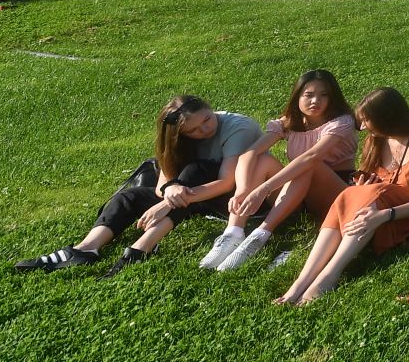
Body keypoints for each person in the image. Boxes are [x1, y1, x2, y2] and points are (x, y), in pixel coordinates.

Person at [14, 95, 262, 276]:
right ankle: (85, 250)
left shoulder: (238, 127)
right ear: (181, 134)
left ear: (211, 108)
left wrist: (166, 203)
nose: (205, 130)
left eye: (207, 120)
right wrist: (168, 191)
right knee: (130, 196)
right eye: (194, 131)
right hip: (194, 192)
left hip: (231, 197)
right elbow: (164, 180)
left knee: (196, 170)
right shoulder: (178, 138)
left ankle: (140, 248)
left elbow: (228, 181)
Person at [276, 88, 409, 306]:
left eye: (368, 120)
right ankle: (299, 284)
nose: (362, 127)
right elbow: (370, 177)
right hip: (380, 201)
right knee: (350, 193)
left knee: (371, 194)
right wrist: (363, 183)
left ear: (387, 118)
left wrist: (384, 216)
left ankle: (328, 276)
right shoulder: (376, 140)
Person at [199, 70, 358, 273]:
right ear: (297, 96)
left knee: (309, 164)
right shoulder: (289, 122)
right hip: (297, 191)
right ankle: (233, 232)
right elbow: (249, 154)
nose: (316, 101)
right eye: (308, 95)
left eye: (324, 95)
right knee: (262, 159)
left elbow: (311, 158)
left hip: (333, 192)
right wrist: (244, 190)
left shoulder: (341, 122)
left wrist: (264, 189)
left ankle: (260, 235)